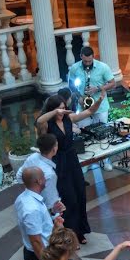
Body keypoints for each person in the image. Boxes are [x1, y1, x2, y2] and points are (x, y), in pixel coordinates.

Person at [35, 92, 104, 244]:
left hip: (72, 159)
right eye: (60, 108)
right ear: (53, 109)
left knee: (80, 195)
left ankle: (80, 231)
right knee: (68, 199)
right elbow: (39, 121)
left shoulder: (69, 119)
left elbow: (90, 111)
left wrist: (99, 100)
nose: (63, 111)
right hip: (59, 162)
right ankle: (70, 235)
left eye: (64, 107)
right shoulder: (48, 124)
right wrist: (54, 112)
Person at [67, 46, 117, 171]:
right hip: (83, 106)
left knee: (103, 134)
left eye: (90, 61)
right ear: (81, 57)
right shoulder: (74, 68)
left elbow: (113, 83)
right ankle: (88, 161)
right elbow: (71, 85)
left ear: (93, 57)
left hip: (100, 106)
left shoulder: (103, 67)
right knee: (85, 133)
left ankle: (106, 160)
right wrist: (79, 97)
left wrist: (98, 88)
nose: (88, 64)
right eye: (85, 62)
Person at [16, 134, 63, 213]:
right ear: (54, 149)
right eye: (57, 145)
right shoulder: (50, 174)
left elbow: (19, 177)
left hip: (29, 199)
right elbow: (52, 203)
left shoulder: (32, 157)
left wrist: (29, 189)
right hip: (43, 210)